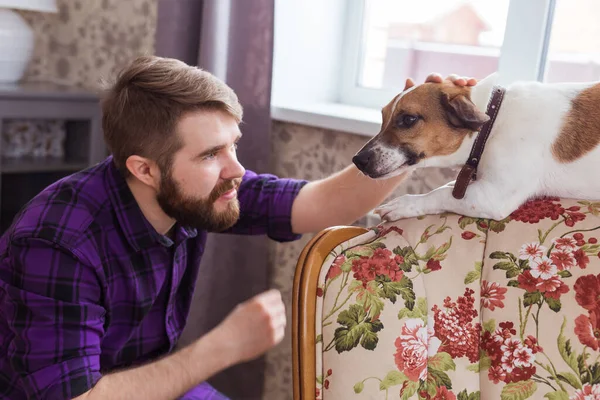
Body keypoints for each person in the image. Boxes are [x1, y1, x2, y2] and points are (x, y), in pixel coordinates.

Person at [0, 55, 475, 400]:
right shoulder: (56, 242)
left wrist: (416, 134)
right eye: (211, 154)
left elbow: (326, 203)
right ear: (145, 169)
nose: (236, 170)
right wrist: (220, 349)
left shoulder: (199, 189)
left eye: (232, 145)